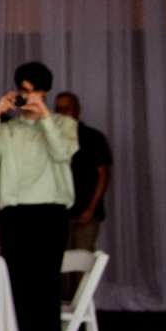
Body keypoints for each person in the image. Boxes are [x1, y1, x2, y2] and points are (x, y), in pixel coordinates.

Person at [0, 62, 80, 331]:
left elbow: (62, 152)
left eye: (33, 90)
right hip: (15, 216)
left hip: (49, 214)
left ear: (44, 92)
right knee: (19, 294)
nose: (27, 95)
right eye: (23, 89)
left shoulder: (64, 123)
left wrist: (45, 117)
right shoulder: (8, 128)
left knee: (46, 294)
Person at [58, 91, 115, 254]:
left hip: (86, 212)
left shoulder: (93, 137)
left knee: (82, 262)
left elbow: (103, 175)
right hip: (60, 213)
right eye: (58, 109)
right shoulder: (52, 138)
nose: (62, 113)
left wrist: (91, 209)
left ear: (77, 110)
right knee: (59, 264)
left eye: (66, 109)